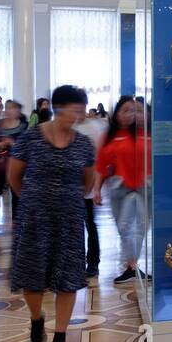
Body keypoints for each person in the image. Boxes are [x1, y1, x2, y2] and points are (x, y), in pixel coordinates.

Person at [7, 85, 96, 342]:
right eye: (76, 110)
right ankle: (36, 318)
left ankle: (60, 337)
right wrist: (35, 201)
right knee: (32, 279)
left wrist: (67, 200)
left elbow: (88, 180)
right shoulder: (31, 138)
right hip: (34, 218)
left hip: (69, 219)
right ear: (59, 108)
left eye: (82, 111)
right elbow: (14, 176)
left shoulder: (83, 143)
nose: (79, 116)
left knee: (68, 278)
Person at [94, 96, 151, 284]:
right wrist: (96, 190)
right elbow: (101, 165)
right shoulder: (110, 136)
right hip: (120, 188)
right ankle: (131, 265)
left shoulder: (149, 134)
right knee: (124, 226)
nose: (130, 115)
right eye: (125, 110)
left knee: (141, 227)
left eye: (135, 111)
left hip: (145, 187)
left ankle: (133, 265)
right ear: (117, 113)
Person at [74, 102, 108, 278]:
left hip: (87, 186)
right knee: (74, 226)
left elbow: (100, 159)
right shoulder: (69, 127)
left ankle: (93, 263)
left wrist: (96, 187)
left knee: (89, 224)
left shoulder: (94, 128)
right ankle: (76, 262)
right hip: (70, 186)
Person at [0, 99, 28, 232]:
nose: (9, 111)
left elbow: (28, 146)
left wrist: (13, 145)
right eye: (7, 108)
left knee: (16, 193)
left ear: (18, 111)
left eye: (13, 108)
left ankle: (16, 221)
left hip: (17, 166)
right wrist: (0, 144)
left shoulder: (24, 127)